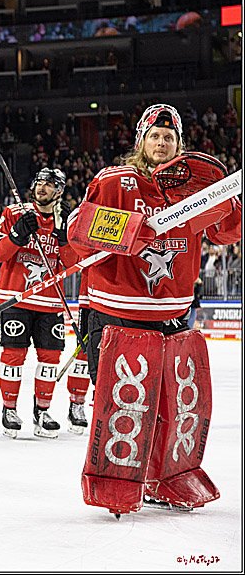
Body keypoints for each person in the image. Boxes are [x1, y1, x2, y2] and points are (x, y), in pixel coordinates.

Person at [69, 104, 241, 516]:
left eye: (169, 137)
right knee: (125, 399)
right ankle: (115, 480)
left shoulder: (195, 190)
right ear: (140, 141)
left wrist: (226, 200)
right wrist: (131, 228)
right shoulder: (114, 180)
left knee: (176, 402)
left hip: (174, 313)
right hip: (117, 311)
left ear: (179, 144)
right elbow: (77, 228)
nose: (161, 143)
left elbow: (227, 233)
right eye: (154, 136)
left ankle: (165, 478)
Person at [0, 167, 89, 439]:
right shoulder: (13, 214)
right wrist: (18, 235)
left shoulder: (66, 222)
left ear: (59, 191)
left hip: (51, 303)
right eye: (39, 183)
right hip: (15, 300)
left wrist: (64, 238)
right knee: (13, 358)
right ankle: (9, 409)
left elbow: (73, 265)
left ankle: (42, 411)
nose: (43, 188)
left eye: (50, 184)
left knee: (49, 360)